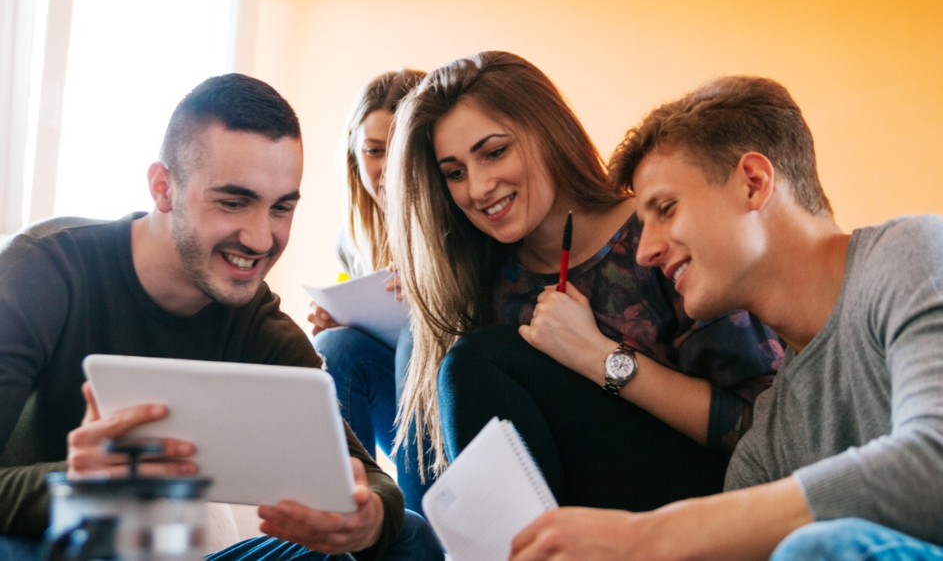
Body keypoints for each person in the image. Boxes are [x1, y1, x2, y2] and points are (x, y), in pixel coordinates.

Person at [0, 74, 441, 561]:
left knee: (408, 536)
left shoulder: (256, 321)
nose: (260, 239)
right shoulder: (42, 269)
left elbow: (368, 477)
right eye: (234, 203)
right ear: (163, 187)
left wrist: (365, 518)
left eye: (281, 208)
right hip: (46, 541)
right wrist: (72, 485)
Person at [509, 75, 943, 560]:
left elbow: (935, 464)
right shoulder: (770, 439)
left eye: (666, 209)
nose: (647, 250)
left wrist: (651, 535)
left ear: (753, 184)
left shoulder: (914, 255)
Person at [384, 51, 783, 512]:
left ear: (548, 133)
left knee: (474, 360)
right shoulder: (483, 279)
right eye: (455, 173)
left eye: (495, 153)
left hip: (711, 505)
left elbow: (762, 427)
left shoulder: (659, 234)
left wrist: (601, 359)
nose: (478, 188)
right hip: (575, 519)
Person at [306, 69, 435, 518]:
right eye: (375, 151)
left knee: (419, 338)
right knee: (333, 346)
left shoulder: (465, 216)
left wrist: (433, 293)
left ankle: (423, 539)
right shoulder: (354, 238)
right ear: (354, 157)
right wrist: (340, 320)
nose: (388, 167)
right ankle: (351, 519)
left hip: (460, 413)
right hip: (400, 411)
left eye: (402, 150)